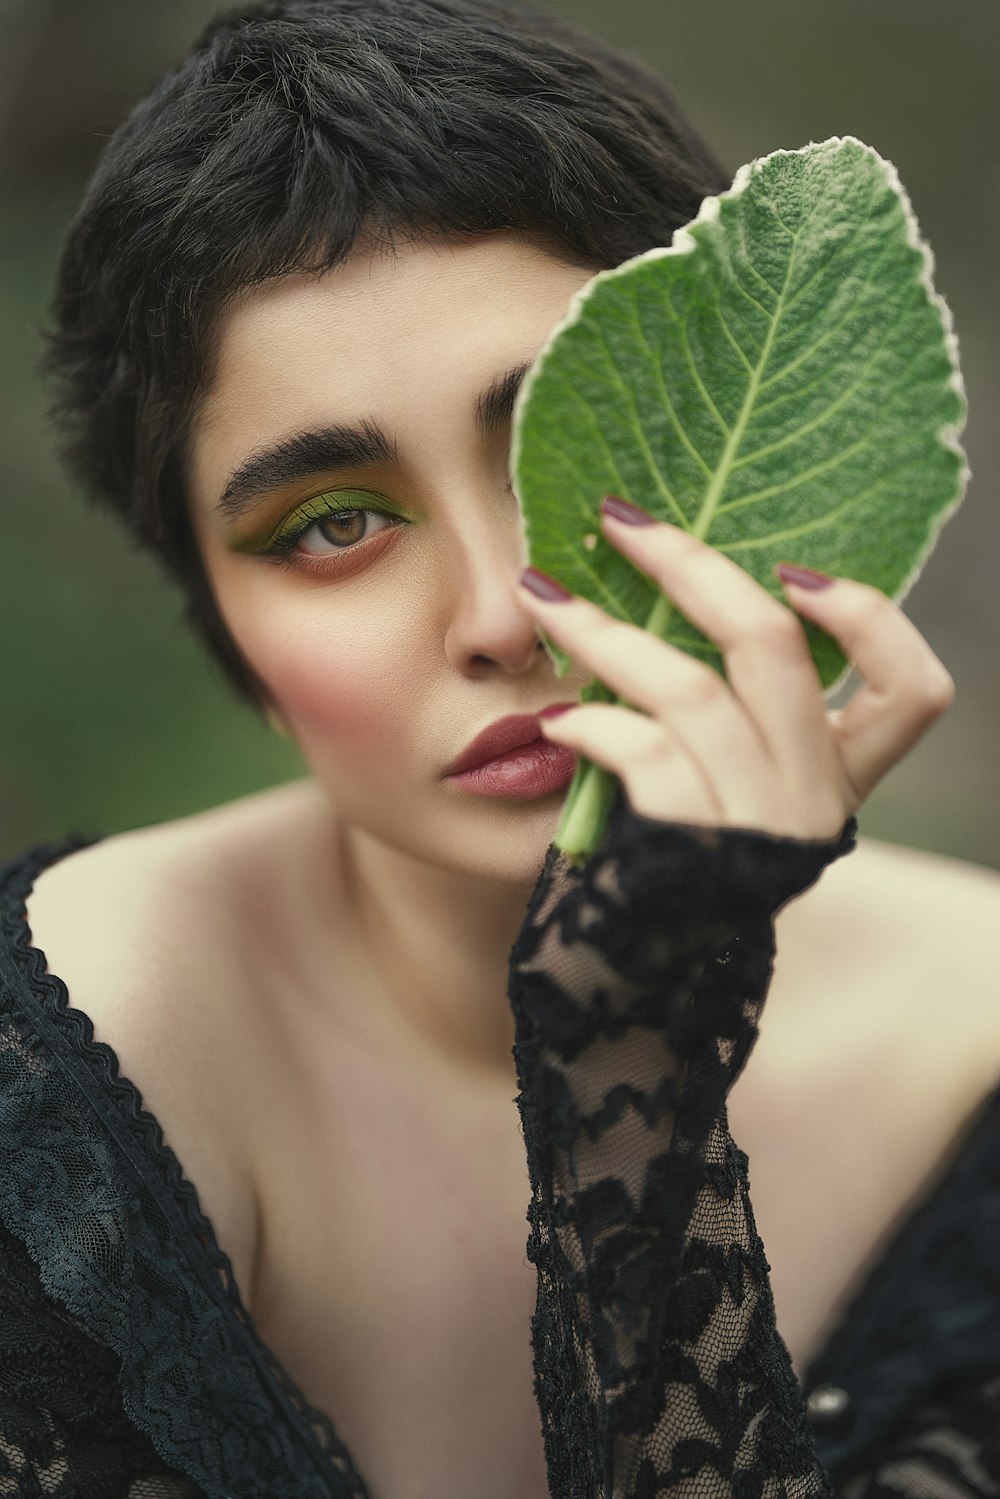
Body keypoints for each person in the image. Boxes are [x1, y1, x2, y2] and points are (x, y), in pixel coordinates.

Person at [1, 0, 997, 1494]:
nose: (498, 616)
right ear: (226, 633)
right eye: (335, 524)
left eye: (566, 450)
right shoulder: (88, 1052)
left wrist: (641, 1063)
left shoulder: (972, 1045)